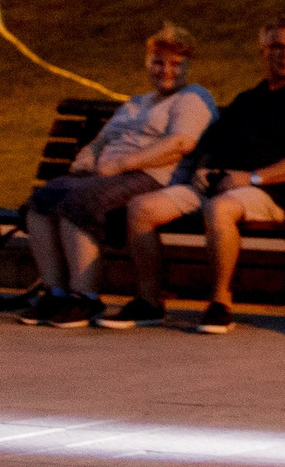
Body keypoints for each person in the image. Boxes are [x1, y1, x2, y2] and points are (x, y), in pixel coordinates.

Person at [122, 16, 285, 336]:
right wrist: (204, 168)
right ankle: (149, 301)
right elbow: (212, 142)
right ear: (263, 53)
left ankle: (220, 302)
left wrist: (251, 178)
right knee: (141, 209)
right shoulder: (247, 101)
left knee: (219, 210)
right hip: (216, 185)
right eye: (276, 46)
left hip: (268, 193)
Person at [8, 25, 216, 329]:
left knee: (78, 202)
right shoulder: (135, 103)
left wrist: (123, 164)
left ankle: (85, 298)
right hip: (104, 175)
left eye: (176, 63)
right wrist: (89, 156)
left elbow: (180, 144)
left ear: (188, 66)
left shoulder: (193, 98)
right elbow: (101, 140)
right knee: (43, 199)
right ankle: (54, 293)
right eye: (158, 62)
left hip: (151, 177)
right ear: (147, 62)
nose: (166, 70)